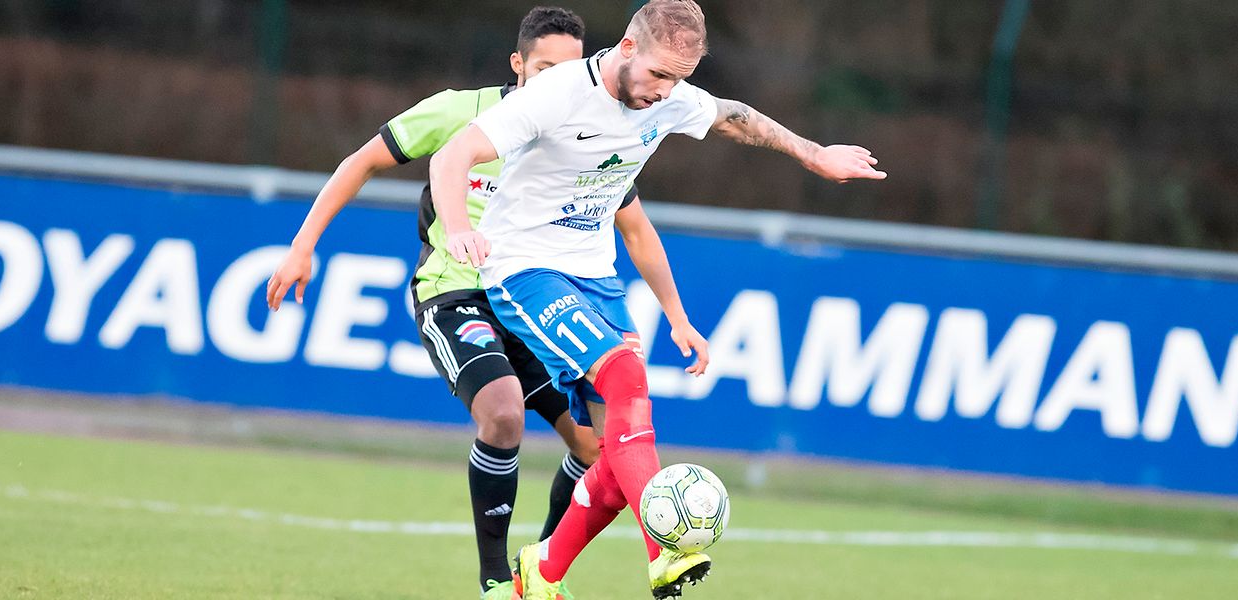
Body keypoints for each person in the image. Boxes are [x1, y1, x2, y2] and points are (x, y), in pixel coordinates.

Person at [428, 1, 887, 597]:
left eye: (681, 78)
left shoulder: (670, 97)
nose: (667, 90)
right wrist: (460, 225)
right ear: (625, 48)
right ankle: (665, 548)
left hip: (596, 277)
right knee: (626, 382)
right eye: (659, 74)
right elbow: (451, 155)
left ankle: (540, 573)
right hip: (525, 269)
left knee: (616, 448)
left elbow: (735, 116)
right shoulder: (558, 93)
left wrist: (812, 153)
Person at [262, 8, 603, 599]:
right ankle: (496, 581)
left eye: (568, 73)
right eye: (543, 68)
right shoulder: (459, 112)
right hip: (454, 292)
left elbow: (631, 222)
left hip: (531, 300)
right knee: (502, 415)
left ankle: (540, 573)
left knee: (595, 447)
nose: (554, 84)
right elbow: (360, 161)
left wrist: (672, 315)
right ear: (518, 64)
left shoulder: (583, 137)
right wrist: (302, 246)